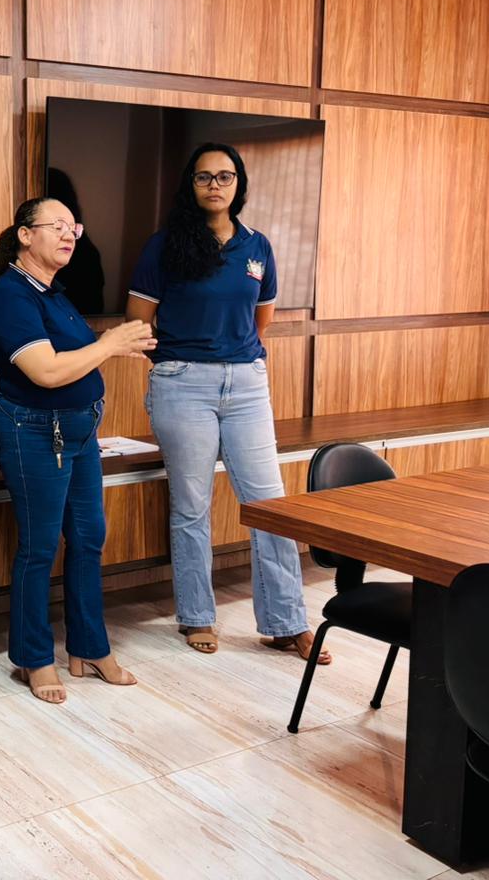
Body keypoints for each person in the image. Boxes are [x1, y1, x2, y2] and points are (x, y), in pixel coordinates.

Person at [125, 142, 329, 664]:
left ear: (238, 184)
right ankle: (196, 615)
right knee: (191, 506)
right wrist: (184, 362)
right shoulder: (164, 246)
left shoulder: (258, 246)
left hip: (247, 385)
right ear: (190, 185)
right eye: (204, 177)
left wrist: (233, 359)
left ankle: (286, 623)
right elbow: (138, 323)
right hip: (182, 384)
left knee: (270, 505)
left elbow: (262, 320)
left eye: (225, 176)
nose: (214, 185)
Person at [0, 198, 156, 704]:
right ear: (24, 235)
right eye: (55, 226)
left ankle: (89, 649)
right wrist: (110, 343)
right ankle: (34, 658)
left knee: (88, 537)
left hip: (79, 433)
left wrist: (109, 345)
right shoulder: (11, 296)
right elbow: (46, 371)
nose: (68, 235)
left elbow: (75, 361)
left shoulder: (53, 292)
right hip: (35, 432)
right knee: (39, 547)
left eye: (72, 227)